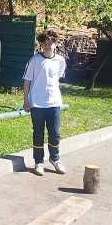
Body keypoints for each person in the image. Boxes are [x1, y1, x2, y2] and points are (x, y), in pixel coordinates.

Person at [23, 29, 67, 177]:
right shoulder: (35, 60)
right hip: (37, 104)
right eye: (45, 43)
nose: (48, 46)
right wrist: (26, 100)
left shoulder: (60, 60)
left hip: (54, 103)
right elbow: (27, 81)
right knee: (38, 133)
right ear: (41, 44)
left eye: (51, 43)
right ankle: (39, 162)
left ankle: (55, 159)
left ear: (55, 44)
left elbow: (57, 78)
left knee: (55, 133)